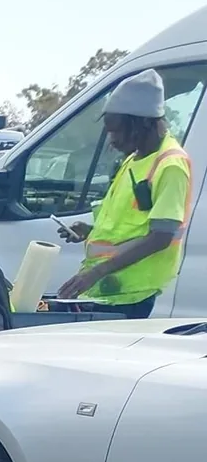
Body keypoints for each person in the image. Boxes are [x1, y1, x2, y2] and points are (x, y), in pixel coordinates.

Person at [57, 69, 192, 318]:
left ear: (143, 123)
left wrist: (97, 272)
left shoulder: (171, 165)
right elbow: (128, 226)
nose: (112, 140)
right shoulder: (134, 159)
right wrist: (89, 231)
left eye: (116, 130)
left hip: (132, 294)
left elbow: (161, 236)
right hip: (108, 289)